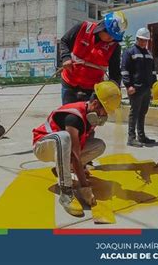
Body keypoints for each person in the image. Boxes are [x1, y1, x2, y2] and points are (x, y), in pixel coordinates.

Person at [32, 81, 122, 216]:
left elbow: (81, 144)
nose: (105, 116)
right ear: (96, 104)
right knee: (64, 137)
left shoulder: (90, 114)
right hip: (43, 147)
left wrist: (81, 168)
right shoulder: (74, 118)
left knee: (99, 145)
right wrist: (84, 186)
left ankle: (63, 170)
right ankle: (66, 193)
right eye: (105, 111)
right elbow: (75, 154)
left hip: (61, 149)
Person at [59, 11, 127, 105]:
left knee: (87, 117)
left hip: (91, 89)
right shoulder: (83, 28)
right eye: (110, 35)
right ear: (103, 27)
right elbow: (64, 41)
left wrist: (114, 90)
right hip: (70, 83)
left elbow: (114, 72)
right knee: (69, 115)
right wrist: (66, 58)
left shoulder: (114, 47)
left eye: (114, 37)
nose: (111, 39)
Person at [121, 27, 157, 147]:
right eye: (141, 40)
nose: (143, 42)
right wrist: (128, 86)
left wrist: (154, 86)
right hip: (135, 89)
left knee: (143, 112)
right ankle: (131, 138)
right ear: (137, 39)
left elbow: (153, 71)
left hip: (146, 88)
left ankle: (141, 136)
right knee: (134, 113)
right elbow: (125, 70)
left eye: (145, 40)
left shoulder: (149, 54)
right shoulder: (129, 52)